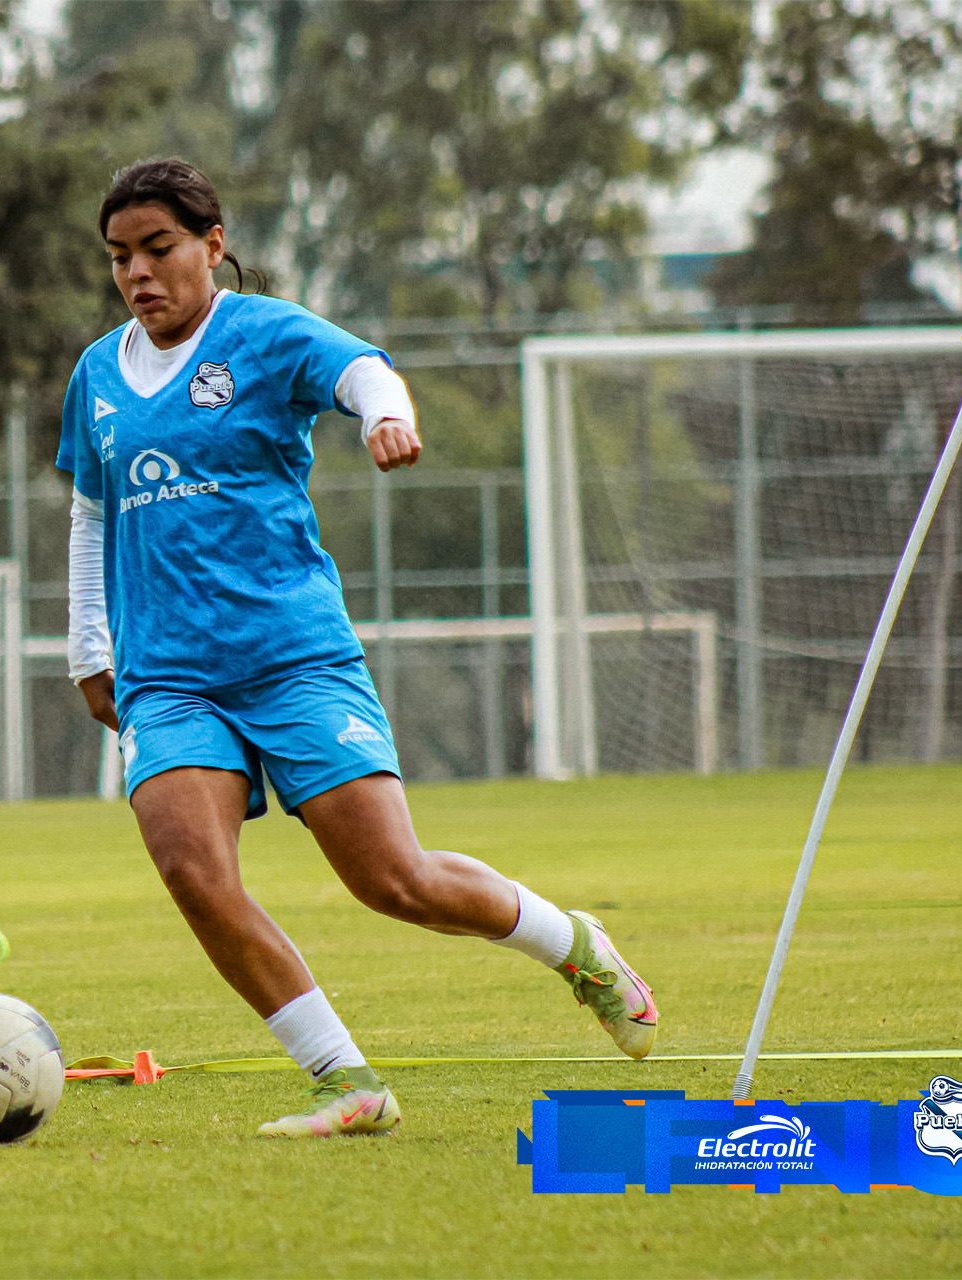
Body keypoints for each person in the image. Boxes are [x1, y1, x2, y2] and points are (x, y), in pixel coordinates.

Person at [59, 158, 657, 1139]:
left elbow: (362, 367)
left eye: (158, 248)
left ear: (212, 244)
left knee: (394, 881)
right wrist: (88, 644)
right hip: (165, 673)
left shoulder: (263, 333)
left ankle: (577, 944)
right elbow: (90, 512)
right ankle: (346, 1079)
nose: (137, 272)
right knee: (192, 873)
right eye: (120, 255)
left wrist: (387, 415)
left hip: (292, 654)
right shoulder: (96, 373)